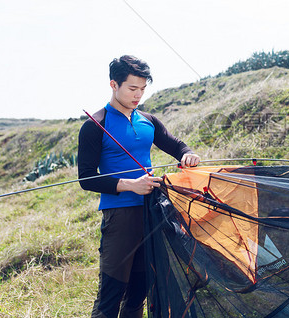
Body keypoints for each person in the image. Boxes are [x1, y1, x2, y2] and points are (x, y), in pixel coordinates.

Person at [78, 55, 200, 318]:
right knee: (111, 295)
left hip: (152, 211)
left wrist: (187, 154)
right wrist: (131, 185)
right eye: (132, 88)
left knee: (139, 292)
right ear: (114, 84)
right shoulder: (95, 125)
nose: (138, 95)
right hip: (120, 216)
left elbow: (175, 145)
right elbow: (86, 177)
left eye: (142, 89)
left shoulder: (148, 120)